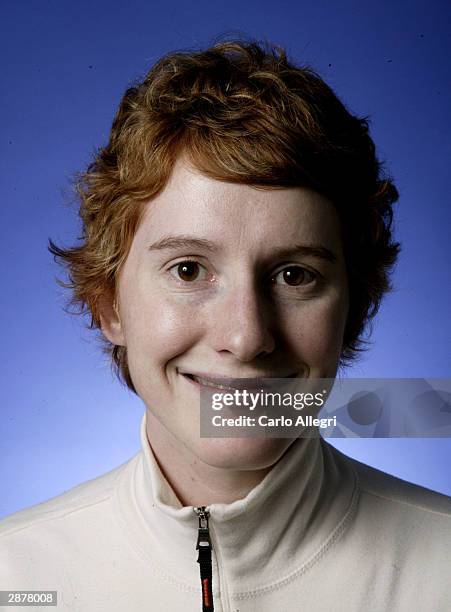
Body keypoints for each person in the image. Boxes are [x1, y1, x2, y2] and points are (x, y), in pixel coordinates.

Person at [0, 39, 450, 612]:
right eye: (188, 269)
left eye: (294, 275)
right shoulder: (12, 573)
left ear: (354, 307)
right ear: (109, 304)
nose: (246, 337)